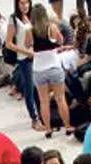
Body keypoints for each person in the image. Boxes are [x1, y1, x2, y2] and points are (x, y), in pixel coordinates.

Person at [26, 3, 74, 137]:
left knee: (44, 101)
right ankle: (68, 126)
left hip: (39, 69)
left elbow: (27, 45)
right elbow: (61, 41)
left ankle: (48, 129)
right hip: (54, 66)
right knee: (60, 99)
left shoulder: (29, 30)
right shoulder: (51, 27)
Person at [5, 0, 39, 128]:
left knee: (38, 88)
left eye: (26, 3)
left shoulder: (32, 16)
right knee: (29, 89)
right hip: (24, 58)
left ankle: (41, 115)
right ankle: (34, 118)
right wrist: (26, 52)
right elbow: (9, 43)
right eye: (22, 3)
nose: (25, 6)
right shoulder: (14, 19)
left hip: (36, 56)